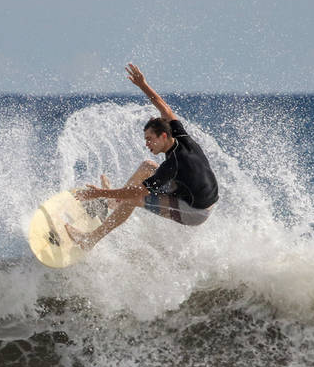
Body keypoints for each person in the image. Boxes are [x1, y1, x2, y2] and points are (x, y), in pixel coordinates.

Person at [65, 63, 218, 250]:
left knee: (132, 198)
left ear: (163, 136)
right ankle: (112, 202)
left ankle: (89, 240)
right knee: (147, 165)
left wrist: (98, 193)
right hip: (189, 190)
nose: (147, 144)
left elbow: (137, 193)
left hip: (195, 211)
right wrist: (142, 85)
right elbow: (165, 109)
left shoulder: (173, 165)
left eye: (149, 139)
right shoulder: (180, 136)